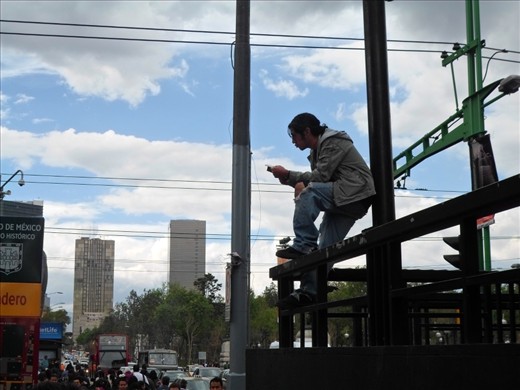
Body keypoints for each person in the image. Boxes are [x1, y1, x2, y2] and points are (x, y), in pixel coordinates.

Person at [270, 112, 375, 309]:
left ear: (307, 131)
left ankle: (303, 244)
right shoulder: (319, 150)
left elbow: (321, 177)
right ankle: (309, 292)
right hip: (350, 198)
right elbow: (318, 179)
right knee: (326, 249)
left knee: (310, 194)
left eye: (294, 135)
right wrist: (293, 180)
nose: (293, 141)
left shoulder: (333, 141)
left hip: (354, 193)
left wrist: (290, 176)